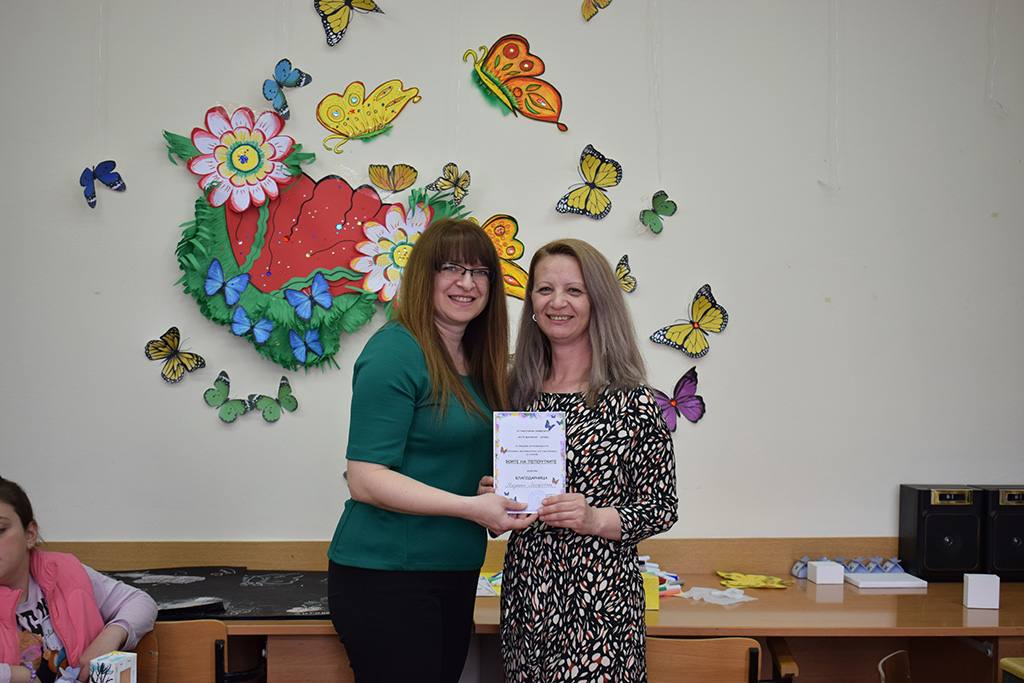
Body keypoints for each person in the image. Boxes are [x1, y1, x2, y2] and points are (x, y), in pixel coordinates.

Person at [327, 218, 536, 683]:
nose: (467, 283)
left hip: (455, 570)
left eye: (480, 271)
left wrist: (495, 495)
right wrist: (471, 508)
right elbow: (365, 479)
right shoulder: (395, 352)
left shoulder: (480, 360)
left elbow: (458, 463)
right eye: (452, 268)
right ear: (425, 275)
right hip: (386, 573)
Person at [497, 239, 679, 682]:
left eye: (574, 290)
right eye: (545, 289)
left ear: (598, 301)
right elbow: (498, 509)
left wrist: (594, 518)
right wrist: (494, 497)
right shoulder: (513, 390)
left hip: (601, 606)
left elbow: (662, 508)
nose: (557, 302)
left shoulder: (632, 400)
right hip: (527, 600)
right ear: (531, 302)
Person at [0, 477, 157, 683]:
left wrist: (110, 637)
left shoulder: (66, 571)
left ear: (30, 534)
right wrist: (16, 675)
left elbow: (140, 601)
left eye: (0, 530)